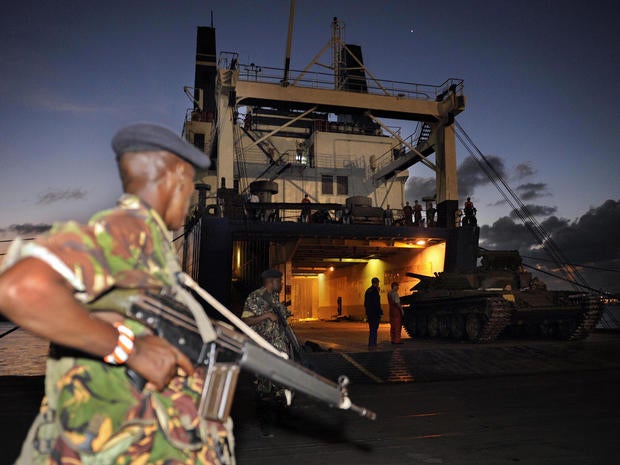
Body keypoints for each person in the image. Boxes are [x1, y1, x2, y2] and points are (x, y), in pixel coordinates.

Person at [0, 123, 234, 464]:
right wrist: (128, 348)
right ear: (176, 178)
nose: (190, 199)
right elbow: (20, 288)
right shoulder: (128, 230)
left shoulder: (151, 247)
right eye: (190, 187)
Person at [241, 269, 293, 436]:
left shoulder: (275, 298)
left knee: (281, 387)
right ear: (271, 281)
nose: (282, 283)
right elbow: (245, 321)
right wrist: (265, 316)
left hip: (278, 351)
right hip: (262, 351)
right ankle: (265, 426)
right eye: (280, 280)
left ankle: (280, 423)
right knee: (264, 388)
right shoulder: (255, 297)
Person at [364, 277, 383, 351]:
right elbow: (376, 303)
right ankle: (373, 343)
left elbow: (365, 303)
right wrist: (380, 312)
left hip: (369, 313)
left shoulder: (368, 291)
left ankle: (371, 343)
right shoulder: (375, 291)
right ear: (376, 283)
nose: (378, 284)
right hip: (375, 313)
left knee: (371, 328)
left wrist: (367, 311)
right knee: (374, 328)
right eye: (378, 283)